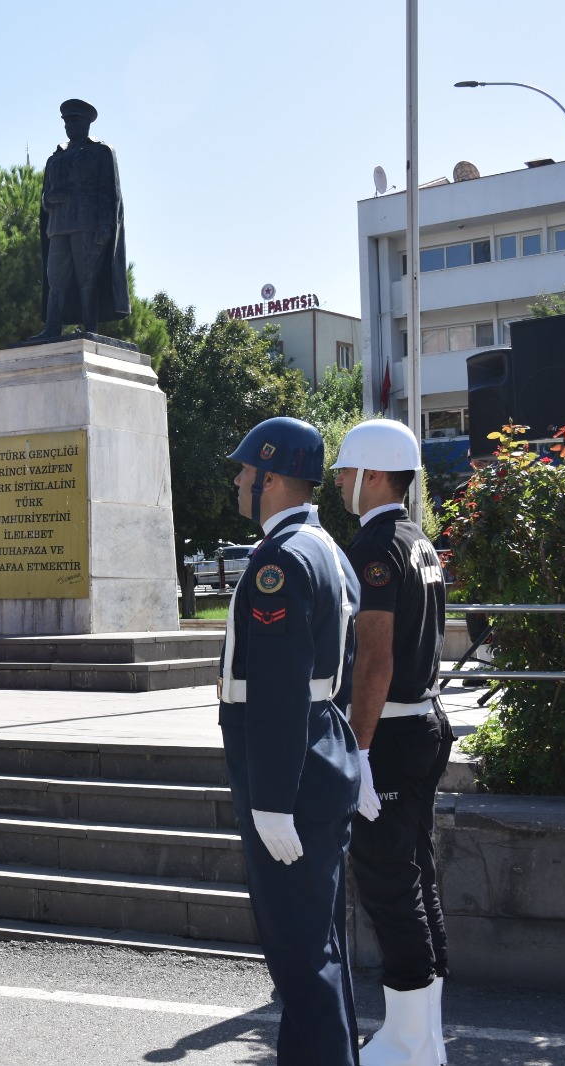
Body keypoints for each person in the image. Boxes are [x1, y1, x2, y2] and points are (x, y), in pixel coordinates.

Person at [219, 416, 361, 1065]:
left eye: (248, 472)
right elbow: (344, 669)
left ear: (274, 479)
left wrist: (271, 798)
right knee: (320, 948)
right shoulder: (329, 550)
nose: (241, 481)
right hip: (323, 751)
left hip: (288, 772)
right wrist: (354, 760)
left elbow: (278, 689)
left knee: (300, 960)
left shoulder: (280, 561)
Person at [332, 419, 453, 1066]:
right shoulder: (418, 541)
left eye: (347, 473)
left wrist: (358, 751)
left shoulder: (375, 547)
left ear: (374, 474)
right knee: (417, 876)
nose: (342, 485)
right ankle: (424, 1033)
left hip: (395, 731)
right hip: (423, 722)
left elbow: (374, 660)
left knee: (386, 881)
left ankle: (408, 1039)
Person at [32, 98, 130, 339]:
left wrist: (106, 225)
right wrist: (49, 198)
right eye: (67, 122)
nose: (70, 126)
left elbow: (110, 191)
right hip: (58, 227)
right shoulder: (55, 157)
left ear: (87, 123)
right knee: (55, 279)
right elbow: (44, 198)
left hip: (87, 224)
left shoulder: (101, 152)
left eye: (74, 121)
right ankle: (52, 328)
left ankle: (90, 328)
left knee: (87, 278)